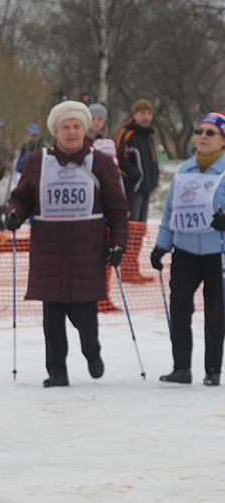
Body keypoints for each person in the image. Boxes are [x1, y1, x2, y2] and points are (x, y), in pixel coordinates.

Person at [5, 101, 129, 387]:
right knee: (52, 316)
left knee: (85, 313)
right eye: (65, 127)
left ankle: (92, 352)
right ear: (55, 131)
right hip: (48, 249)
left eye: (76, 127)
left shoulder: (100, 162)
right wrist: (14, 214)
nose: (71, 132)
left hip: (88, 248)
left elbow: (117, 209)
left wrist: (118, 243)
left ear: (84, 129)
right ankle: (56, 371)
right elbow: (21, 197)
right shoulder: (39, 160)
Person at [150, 112, 225, 387]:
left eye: (210, 133)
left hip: (217, 252)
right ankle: (181, 367)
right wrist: (161, 246)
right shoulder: (185, 170)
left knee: (216, 312)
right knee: (180, 308)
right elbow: (170, 211)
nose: (202, 137)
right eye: (199, 132)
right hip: (185, 251)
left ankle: (213, 369)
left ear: (223, 140)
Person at [115, 99, 159, 222]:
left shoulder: (149, 136)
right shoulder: (126, 133)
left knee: (141, 227)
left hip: (146, 188)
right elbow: (120, 159)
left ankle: (137, 242)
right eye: (143, 113)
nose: (146, 117)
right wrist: (136, 176)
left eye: (149, 113)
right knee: (132, 224)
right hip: (133, 188)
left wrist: (154, 179)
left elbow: (153, 160)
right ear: (135, 114)